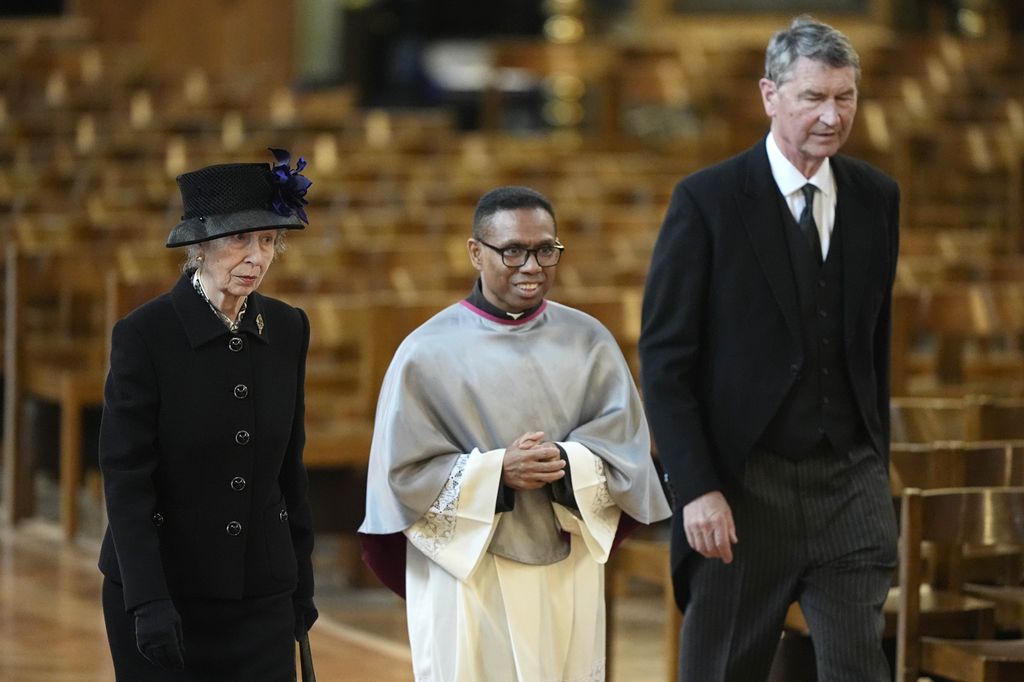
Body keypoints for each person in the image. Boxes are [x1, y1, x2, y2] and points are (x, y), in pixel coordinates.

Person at [639, 17, 900, 681]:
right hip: (743, 490)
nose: (831, 115)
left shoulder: (877, 198)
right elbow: (666, 363)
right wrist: (696, 487)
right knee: (721, 671)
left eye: (845, 97)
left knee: (859, 670)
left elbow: (874, 346)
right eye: (813, 97)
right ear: (770, 96)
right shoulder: (707, 200)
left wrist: (875, 460)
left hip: (850, 485)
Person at [359, 185, 672, 681]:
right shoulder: (425, 353)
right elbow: (400, 477)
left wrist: (569, 463)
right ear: (475, 252)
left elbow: (627, 456)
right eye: (513, 251)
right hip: (469, 571)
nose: (532, 266)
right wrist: (495, 472)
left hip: (565, 564)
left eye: (546, 249)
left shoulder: (590, 343)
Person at [98, 148, 319, 680]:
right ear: (199, 246)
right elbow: (126, 480)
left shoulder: (289, 328)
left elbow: (290, 468)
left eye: (267, 240)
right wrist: (147, 599)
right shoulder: (145, 336)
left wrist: (300, 580)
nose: (256, 257)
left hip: (262, 595)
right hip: (166, 594)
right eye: (239, 239)